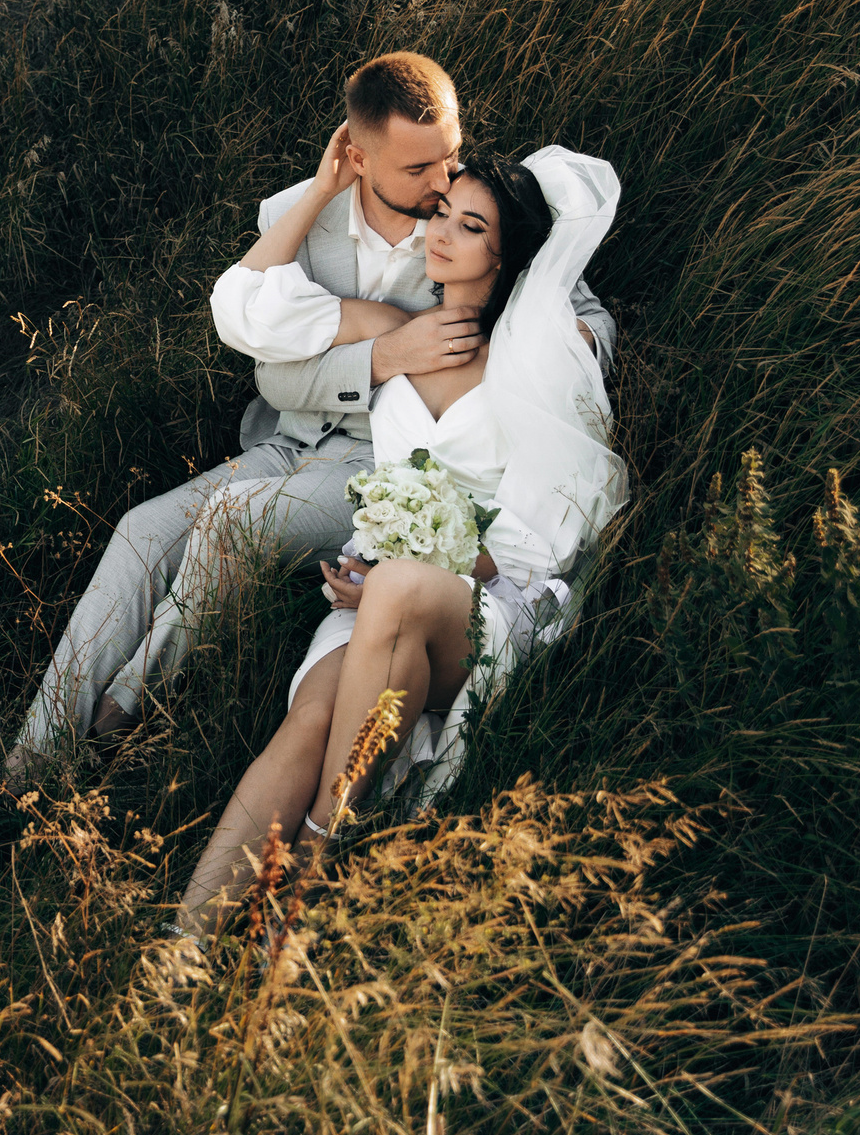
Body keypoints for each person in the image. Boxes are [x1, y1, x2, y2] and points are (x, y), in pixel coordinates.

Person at [2, 51, 616, 778]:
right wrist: (385, 351)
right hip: (290, 438)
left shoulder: (465, 216)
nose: (443, 182)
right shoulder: (296, 219)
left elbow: (577, 307)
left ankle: (127, 709)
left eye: (448, 157)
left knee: (235, 518)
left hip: (382, 463)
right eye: (419, 170)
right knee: (141, 530)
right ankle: (33, 761)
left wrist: (574, 344)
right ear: (359, 156)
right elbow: (274, 374)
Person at [175, 141, 628, 938]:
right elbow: (251, 306)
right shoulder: (399, 331)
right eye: (442, 214)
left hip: (492, 598)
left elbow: (558, 534)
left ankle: (312, 862)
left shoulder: (534, 362)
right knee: (309, 725)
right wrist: (366, 560)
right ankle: (179, 953)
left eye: (472, 226)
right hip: (385, 591)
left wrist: (411, 565)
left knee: (399, 588)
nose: (441, 234)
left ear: (506, 256)